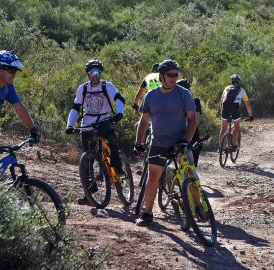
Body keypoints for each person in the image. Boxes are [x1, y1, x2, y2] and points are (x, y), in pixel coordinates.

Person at [133, 59, 198, 227]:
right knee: (153, 176)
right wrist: (138, 142)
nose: (173, 78)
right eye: (170, 75)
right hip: (158, 142)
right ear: (162, 76)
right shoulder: (151, 95)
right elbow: (144, 120)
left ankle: (199, 206)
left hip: (180, 142)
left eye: (176, 74)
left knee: (189, 173)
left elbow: (193, 119)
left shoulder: (184, 93)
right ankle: (147, 213)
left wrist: (186, 140)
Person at [65, 58, 126, 205]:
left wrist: (120, 112)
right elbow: (75, 108)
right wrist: (70, 125)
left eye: (98, 72)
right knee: (87, 159)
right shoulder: (83, 89)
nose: (95, 75)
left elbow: (119, 99)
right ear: (88, 74)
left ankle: (118, 169)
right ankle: (90, 191)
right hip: (88, 123)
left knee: (111, 142)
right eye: (92, 72)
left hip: (104, 120)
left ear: (101, 73)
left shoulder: (107, 86)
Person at [219, 74, 254, 152]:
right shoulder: (242, 90)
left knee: (223, 128)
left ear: (232, 81)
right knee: (237, 127)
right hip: (235, 108)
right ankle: (234, 145)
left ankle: (220, 148)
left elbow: (222, 101)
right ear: (239, 82)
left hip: (225, 108)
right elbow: (247, 104)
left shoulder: (226, 89)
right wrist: (251, 115)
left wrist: (221, 112)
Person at [177, 78, 204, 166]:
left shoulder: (175, 101)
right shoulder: (195, 101)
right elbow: (196, 120)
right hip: (192, 135)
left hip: (181, 135)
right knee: (190, 166)